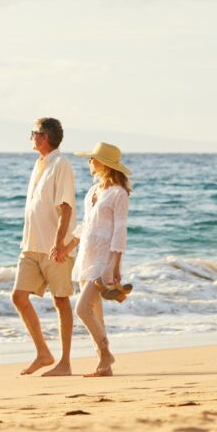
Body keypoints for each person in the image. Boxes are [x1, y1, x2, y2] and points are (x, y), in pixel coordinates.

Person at [11, 117, 77, 376]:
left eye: (34, 133)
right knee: (18, 297)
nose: (31, 137)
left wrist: (60, 243)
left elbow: (66, 207)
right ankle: (43, 353)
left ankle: (65, 362)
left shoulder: (61, 164)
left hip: (54, 248)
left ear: (44, 137)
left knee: (61, 300)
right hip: (30, 246)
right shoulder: (40, 165)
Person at [64, 142, 132, 377]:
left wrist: (114, 265)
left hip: (104, 259)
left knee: (82, 310)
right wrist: (67, 248)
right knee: (95, 313)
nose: (89, 162)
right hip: (86, 255)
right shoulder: (93, 191)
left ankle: (105, 353)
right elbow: (85, 226)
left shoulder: (119, 193)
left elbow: (120, 230)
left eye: (92, 159)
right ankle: (104, 366)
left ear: (105, 163)